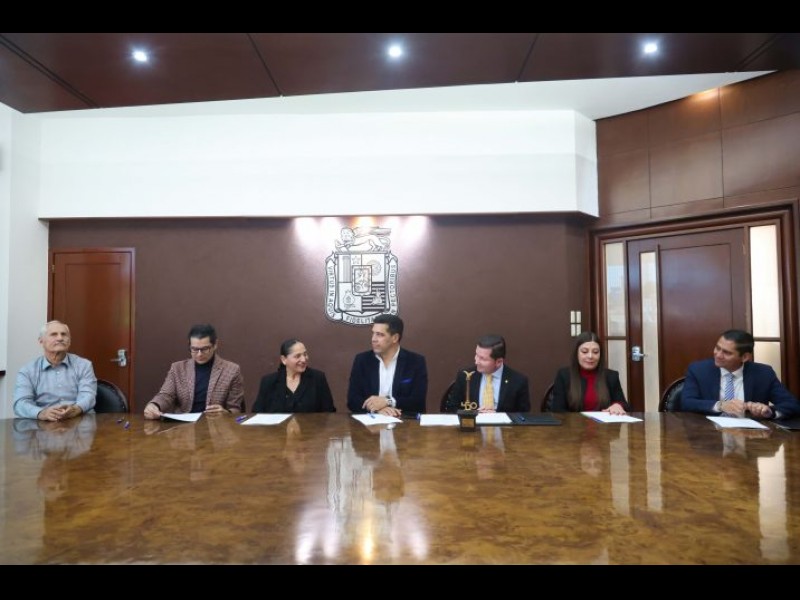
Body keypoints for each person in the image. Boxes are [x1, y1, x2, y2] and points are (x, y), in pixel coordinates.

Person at [681, 329, 800, 419]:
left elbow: (792, 405)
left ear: (745, 357)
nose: (718, 355)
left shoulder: (764, 373)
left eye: (727, 353)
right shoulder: (698, 370)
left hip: (751, 437)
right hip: (708, 434)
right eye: (717, 348)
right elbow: (686, 403)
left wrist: (769, 411)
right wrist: (720, 405)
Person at [143, 324, 245, 419]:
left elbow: (236, 409)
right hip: (183, 425)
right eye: (194, 349)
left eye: (205, 349)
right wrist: (155, 405)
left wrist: (225, 413)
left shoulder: (232, 370)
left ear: (215, 345)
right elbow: (166, 395)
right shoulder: (177, 368)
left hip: (216, 426)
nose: (199, 354)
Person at [13, 320, 97, 421]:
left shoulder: (84, 365)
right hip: (43, 424)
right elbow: (20, 403)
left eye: (64, 334)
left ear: (69, 340)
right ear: (41, 341)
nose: (60, 338)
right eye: (53, 334)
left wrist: (75, 409)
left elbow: (88, 396)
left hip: (79, 420)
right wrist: (41, 413)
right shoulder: (27, 371)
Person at [347, 314, 428, 416]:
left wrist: (388, 401)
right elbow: (352, 400)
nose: (373, 339)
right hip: (371, 421)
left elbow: (418, 401)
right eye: (373, 333)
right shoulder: (362, 360)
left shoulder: (415, 362)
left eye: (380, 335)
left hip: (404, 422)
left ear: (395, 338)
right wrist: (376, 409)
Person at [444, 334, 530, 413]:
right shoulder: (465, 375)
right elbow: (451, 409)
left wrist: (498, 416)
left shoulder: (518, 382)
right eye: (476, 355)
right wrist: (474, 414)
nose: (476, 361)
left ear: (499, 361)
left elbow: (523, 416)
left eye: (482, 359)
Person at [550, 331, 629, 414]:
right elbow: (557, 409)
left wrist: (618, 405)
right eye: (584, 352)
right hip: (573, 422)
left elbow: (624, 404)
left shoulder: (611, 376)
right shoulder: (564, 375)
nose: (590, 356)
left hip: (603, 422)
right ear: (576, 353)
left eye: (595, 352)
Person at [252, 339, 335, 413]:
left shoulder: (318, 378)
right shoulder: (269, 381)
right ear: (284, 359)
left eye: (305, 354)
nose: (303, 359)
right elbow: (257, 412)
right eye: (297, 356)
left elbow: (329, 412)